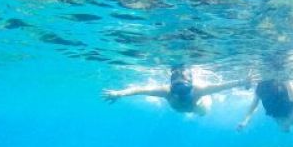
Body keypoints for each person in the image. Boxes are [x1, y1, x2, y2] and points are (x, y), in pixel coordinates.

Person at [103, 65, 253, 116]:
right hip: (186, 107)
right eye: (177, 87)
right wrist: (119, 93)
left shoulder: (198, 90)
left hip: (198, 106)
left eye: (184, 87)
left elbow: (221, 86)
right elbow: (140, 90)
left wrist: (242, 81)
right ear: (172, 86)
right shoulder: (165, 91)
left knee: (203, 112)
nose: (181, 92)